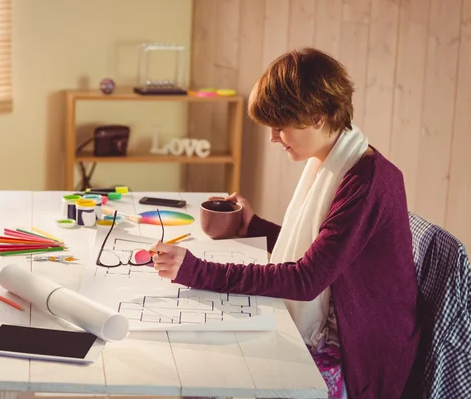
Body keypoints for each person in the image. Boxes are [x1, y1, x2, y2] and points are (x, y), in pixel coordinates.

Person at [149, 47, 422, 399]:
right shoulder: (337, 162)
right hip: (345, 325)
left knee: (215, 376)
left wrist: (196, 270)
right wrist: (254, 227)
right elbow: (325, 254)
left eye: (280, 126)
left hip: (361, 355)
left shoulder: (366, 181)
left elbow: (307, 279)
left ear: (318, 116)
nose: (273, 138)